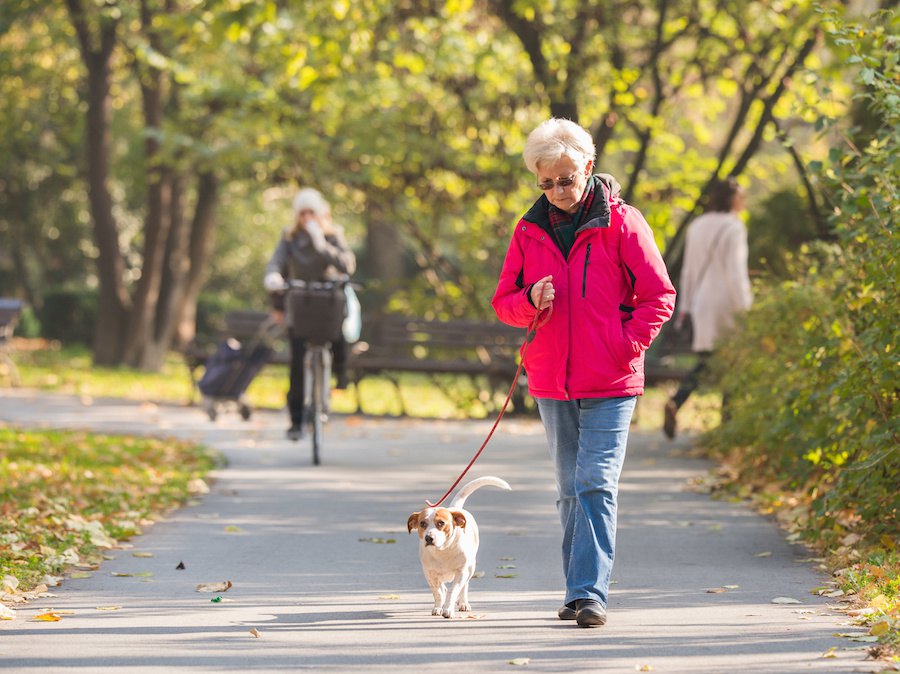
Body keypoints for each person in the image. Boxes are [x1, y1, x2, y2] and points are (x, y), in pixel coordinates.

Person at [492, 118, 675, 627]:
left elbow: (659, 295)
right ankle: (577, 591)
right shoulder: (528, 229)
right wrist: (528, 301)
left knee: (595, 481)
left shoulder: (623, 222)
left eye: (566, 180)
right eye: (545, 183)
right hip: (552, 378)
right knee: (569, 487)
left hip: (612, 378)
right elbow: (503, 302)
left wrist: (627, 344)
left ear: (588, 168)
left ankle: (589, 593)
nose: (556, 191)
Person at [263, 188, 356, 441]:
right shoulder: (289, 238)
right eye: (302, 213)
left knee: (337, 335)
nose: (306, 218)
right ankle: (296, 419)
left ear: (320, 213)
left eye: (311, 212)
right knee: (297, 360)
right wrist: (273, 276)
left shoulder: (333, 235)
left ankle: (341, 374)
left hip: (327, 303)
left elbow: (347, 265)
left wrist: (321, 243)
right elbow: (276, 263)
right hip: (300, 304)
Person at [663, 177, 752, 439]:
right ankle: (728, 425)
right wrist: (746, 308)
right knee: (732, 361)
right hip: (727, 302)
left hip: (701, 301)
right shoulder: (734, 227)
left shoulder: (697, 225)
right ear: (733, 199)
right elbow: (736, 273)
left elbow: (689, 272)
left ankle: (677, 401)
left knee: (709, 359)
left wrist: (686, 307)